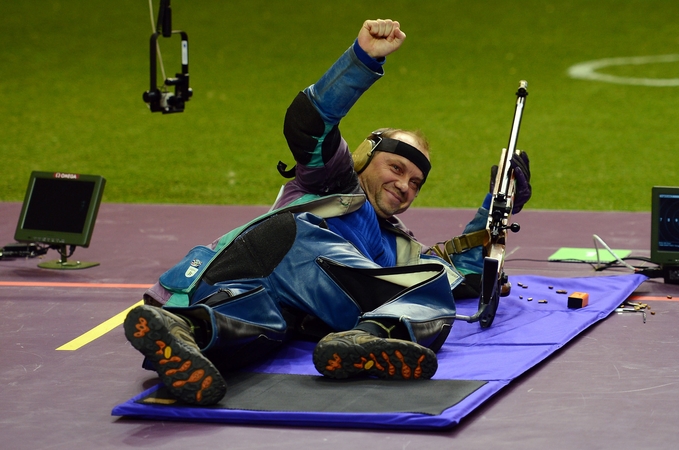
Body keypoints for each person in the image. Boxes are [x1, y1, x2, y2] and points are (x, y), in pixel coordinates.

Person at [123, 19, 531, 406]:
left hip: (237, 291)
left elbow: (462, 271)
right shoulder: (333, 178)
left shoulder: (396, 246)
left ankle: (185, 331)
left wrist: (496, 206)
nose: (405, 186)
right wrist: (363, 59)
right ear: (363, 158)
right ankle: (369, 337)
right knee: (422, 285)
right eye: (397, 168)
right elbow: (307, 123)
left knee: (262, 330)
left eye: (416, 183)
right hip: (275, 251)